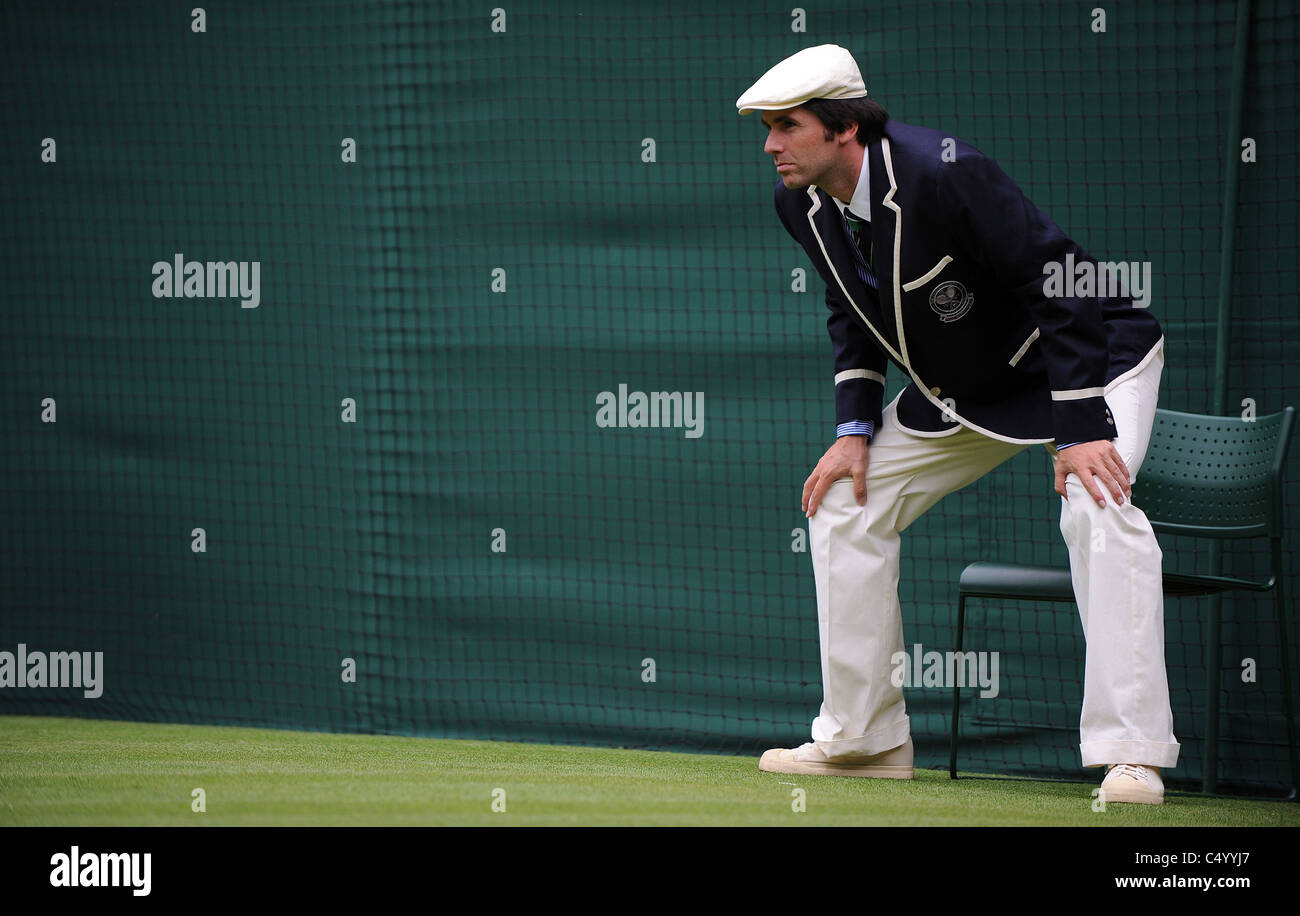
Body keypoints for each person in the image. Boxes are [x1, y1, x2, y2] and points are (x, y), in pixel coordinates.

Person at [736, 45, 1178, 803]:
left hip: (1092, 360)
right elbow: (852, 312)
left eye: (788, 126)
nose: (771, 145)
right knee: (844, 500)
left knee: (1097, 503)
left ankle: (1131, 755)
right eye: (768, 128)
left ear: (843, 128)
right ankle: (865, 739)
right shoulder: (800, 202)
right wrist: (853, 428)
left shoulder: (943, 170)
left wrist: (1077, 430)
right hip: (968, 389)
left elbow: (1061, 282)